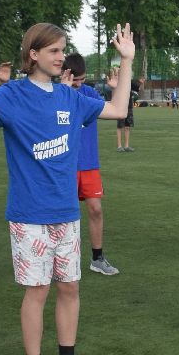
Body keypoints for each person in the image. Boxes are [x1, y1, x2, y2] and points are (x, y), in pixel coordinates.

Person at [0, 20, 134, 355]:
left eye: (63, 49)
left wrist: (127, 59)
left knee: (69, 287)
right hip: (29, 215)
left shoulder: (70, 97)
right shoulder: (12, 96)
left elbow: (119, 106)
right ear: (33, 55)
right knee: (37, 291)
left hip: (66, 213)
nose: (61, 57)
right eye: (54, 50)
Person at [64, 53, 118, 276]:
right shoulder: (57, 94)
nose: (78, 84)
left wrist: (114, 89)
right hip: (64, 165)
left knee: (95, 209)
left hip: (88, 164)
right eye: (74, 80)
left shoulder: (88, 94)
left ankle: (97, 258)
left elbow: (115, 109)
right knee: (66, 214)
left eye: (82, 79)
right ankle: (64, 259)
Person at [115, 81, 135, 152]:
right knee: (120, 126)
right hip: (121, 107)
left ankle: (126, 146)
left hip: (129, 108)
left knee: (127, 126)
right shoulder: (119, 84)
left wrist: (141, 83)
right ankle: (119, 146)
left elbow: (138, 89)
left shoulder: (130, 83)